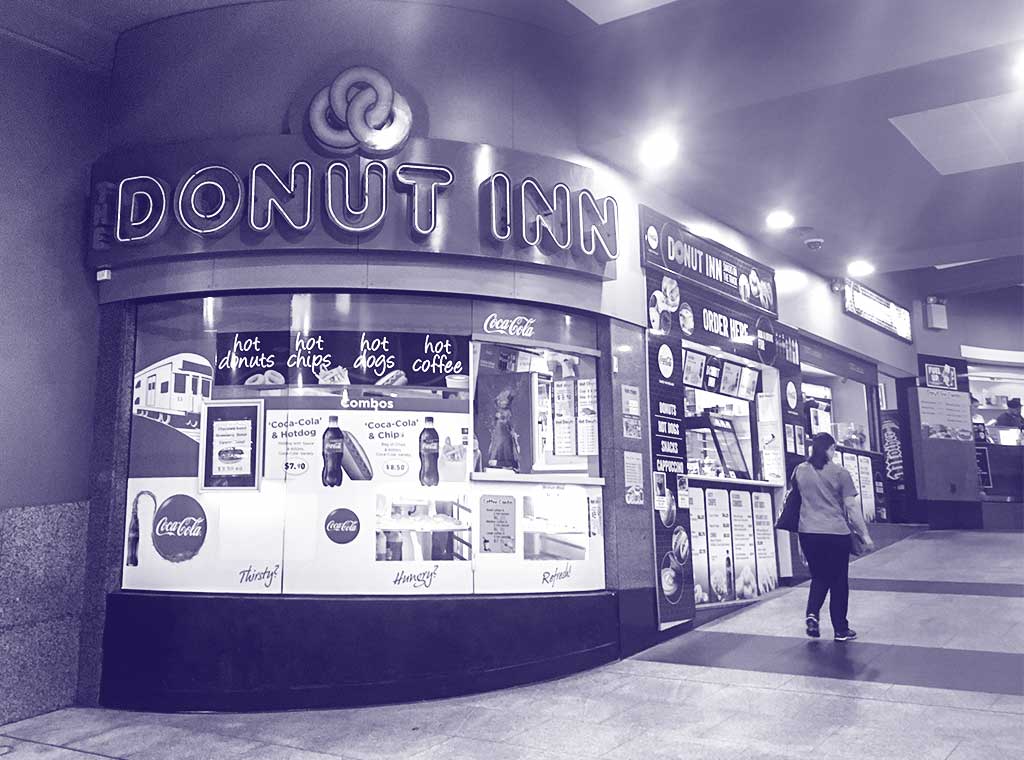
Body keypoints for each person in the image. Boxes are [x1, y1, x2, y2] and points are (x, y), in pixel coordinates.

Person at [794, 432, 874, 641]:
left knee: (819, 576)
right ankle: (840, 628)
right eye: (834, 450)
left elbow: (796, 505)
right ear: (830, 449)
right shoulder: (840, 473)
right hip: (835, 533)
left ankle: (812, 614)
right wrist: (864, 535)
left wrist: (799, 543)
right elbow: (851, 507)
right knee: (838, 580)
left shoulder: (800, 471)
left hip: (808, 533)